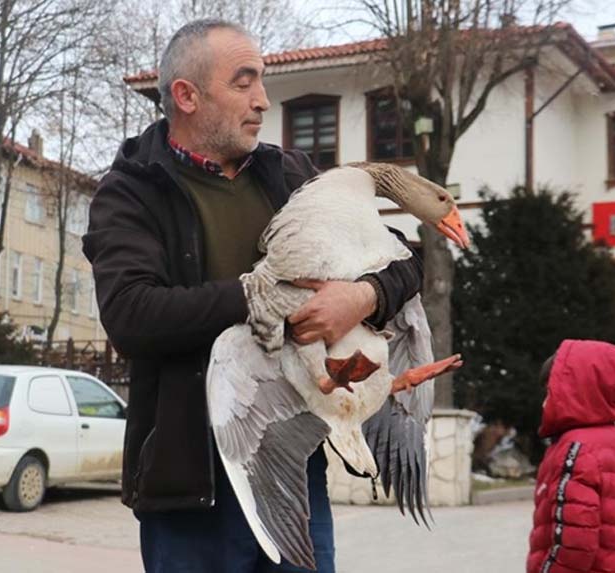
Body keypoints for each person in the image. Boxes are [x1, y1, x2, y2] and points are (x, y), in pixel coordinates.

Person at [82, 18, 423, 573]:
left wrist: (362, 297)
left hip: (294, 471)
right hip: (190, 489)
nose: (263, 101)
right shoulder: (131, 190)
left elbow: (407, 257)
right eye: (244, 82)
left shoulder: (289, 175)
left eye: (262, 81)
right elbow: (132, 315)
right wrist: (264, 299)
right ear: (186, 95)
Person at [526, 339, 615, 573]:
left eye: (550, 392)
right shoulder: (603, 437)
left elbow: (574, 544)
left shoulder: (577, 448)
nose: (544, 403)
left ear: (576, 390)